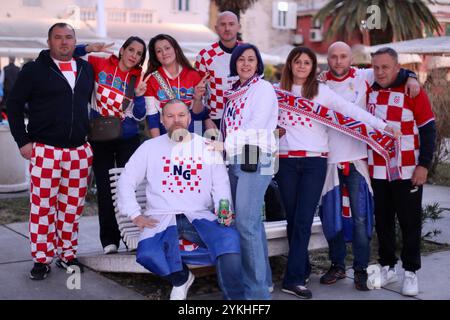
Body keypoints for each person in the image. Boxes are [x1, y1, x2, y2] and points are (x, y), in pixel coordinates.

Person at [275, 46, 398, 299]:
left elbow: (352, 111)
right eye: (297, 62)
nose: (301, 66)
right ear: (289, 65)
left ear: (313, 67)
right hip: (286, 162)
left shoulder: (321, 91)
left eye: (306, 63)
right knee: (293, 219)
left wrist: (382, 126)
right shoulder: (276, 91)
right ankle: (302, 268)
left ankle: (294, 278)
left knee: (304, 220)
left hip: (315, 163)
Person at [117, 99, 244, 300]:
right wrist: (134, 215)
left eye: (181, 115)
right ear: (162, 120)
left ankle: (236, 301)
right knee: (146, 254)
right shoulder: (149, 148)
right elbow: (126, 180)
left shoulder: (205, 146)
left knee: (230, 241)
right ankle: (181, 278)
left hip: (198, 216)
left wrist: (223, 211)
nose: (176, 120)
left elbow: (220, 184)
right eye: (170, 116)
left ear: (189, 117)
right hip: (161, 217)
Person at [318, 41, 420, 291]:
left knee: (361, 217)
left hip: (358, 160)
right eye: (334, 57)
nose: (339, 61)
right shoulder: (319, 83)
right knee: (331, 216)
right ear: (328, 59)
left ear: (351, 59)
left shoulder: (364, 76)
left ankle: (361, 268)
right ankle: (337, 265)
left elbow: (393, 70)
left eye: (343, 56)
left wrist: (413, 76)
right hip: (328, 159)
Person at [6, 22, 94, 280]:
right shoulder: (33, 70)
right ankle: (41, 259)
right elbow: (13, 105)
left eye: (69, 37)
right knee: (43, 207)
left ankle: (67, 254)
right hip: (45, 150)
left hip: (78, 151)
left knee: (72, 207)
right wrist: (22, 141)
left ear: (75, 41)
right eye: (58, 38)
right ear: (49, 41)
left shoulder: (85, 69)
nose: (64, 42)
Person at [367, 47, 436, 296]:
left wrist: (424, 165)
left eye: (386, 67)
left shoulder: (411, 89)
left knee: (409, 222)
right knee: (383, 222)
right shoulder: (369, 88)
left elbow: (428, 130)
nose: (380, 72)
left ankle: (411, 272)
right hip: (377, 169)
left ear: (398, 68)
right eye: (375, 67)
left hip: (408, 169)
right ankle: (387, 267)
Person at [75, 37, 148, 254]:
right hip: (100, 138)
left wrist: (140, 97)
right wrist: (89, 47)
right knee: (106, 189)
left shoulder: (138, 77)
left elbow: (140, 115)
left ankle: (132, 237)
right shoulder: (99, 63)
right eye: (131, 50)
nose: (134, 55)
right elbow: (68, 54)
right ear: (122, 50)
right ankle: (110, 239)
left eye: (139, 53)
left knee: (129, 189)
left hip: (128, 139)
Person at [221, 43, 278, 299]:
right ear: (235, 63)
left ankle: (255, 296)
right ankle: (262, 283)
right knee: (250, 224)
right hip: (237, 158)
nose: (245, 63)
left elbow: (255, 128)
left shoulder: (262, 88)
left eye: (251, 59)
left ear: (258, 64)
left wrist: (223, 144)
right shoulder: (235, 91)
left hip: (256, 157)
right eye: (241, 59)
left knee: (245, 224)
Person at [144, 34, 209, 138]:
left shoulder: (194, 75)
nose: (164, 53)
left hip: (193, 133)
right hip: (166, 136)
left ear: (176, 49)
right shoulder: (151, 79)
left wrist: (197, 99)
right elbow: (152, 117)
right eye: (159, 51)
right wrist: (157, 143)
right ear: (155, 55)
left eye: (167, 48)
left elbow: (198, 116)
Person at [195, 11, 241, 130]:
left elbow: (259, 89)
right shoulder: (205, 55)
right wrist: (205, 118)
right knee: (215, 149)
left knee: (246, 150)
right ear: (216, 28)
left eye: (231, 24)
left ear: (238, 27)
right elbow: (199, 93)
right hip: (215, 120)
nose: (227, 28)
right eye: (223, 24)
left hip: (244, 119)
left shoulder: (249, 53)